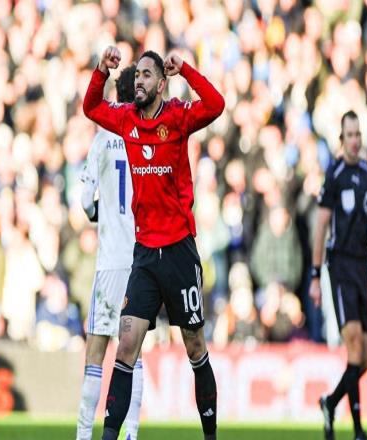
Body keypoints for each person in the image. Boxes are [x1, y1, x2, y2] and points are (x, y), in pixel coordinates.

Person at [83, 46, 225, 440]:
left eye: (148, 75)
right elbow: (91, 107)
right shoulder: (126, 119)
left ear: (162, 84)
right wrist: (101, 70)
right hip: (144, 255)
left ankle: (210, 435)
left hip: (179, 250)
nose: (139, 81)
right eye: (138, 75)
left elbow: (216, 104)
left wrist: (188, 70)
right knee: (126, 343)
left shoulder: (178, 117)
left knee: (195, 345)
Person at [309, 111, 367, 440]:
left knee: (365, 358)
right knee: (355, 345)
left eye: (358, 134)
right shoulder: (335, 175)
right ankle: (357, 429)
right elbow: (320, 227)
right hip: (340, 266)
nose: (355, 140)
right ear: (342, 139)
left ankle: (330, 403)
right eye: (350, 135)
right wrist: (315, 276)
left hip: (363, 266)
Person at [76, 64, 143, 440]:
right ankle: (131, 432)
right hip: (141, 262)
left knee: (95, 356)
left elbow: (86, 198)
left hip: (109, 263)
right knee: (134, 355)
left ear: (116, 96)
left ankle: (83, 435)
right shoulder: (145, 138)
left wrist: (98, 214)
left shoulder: (103, 138)